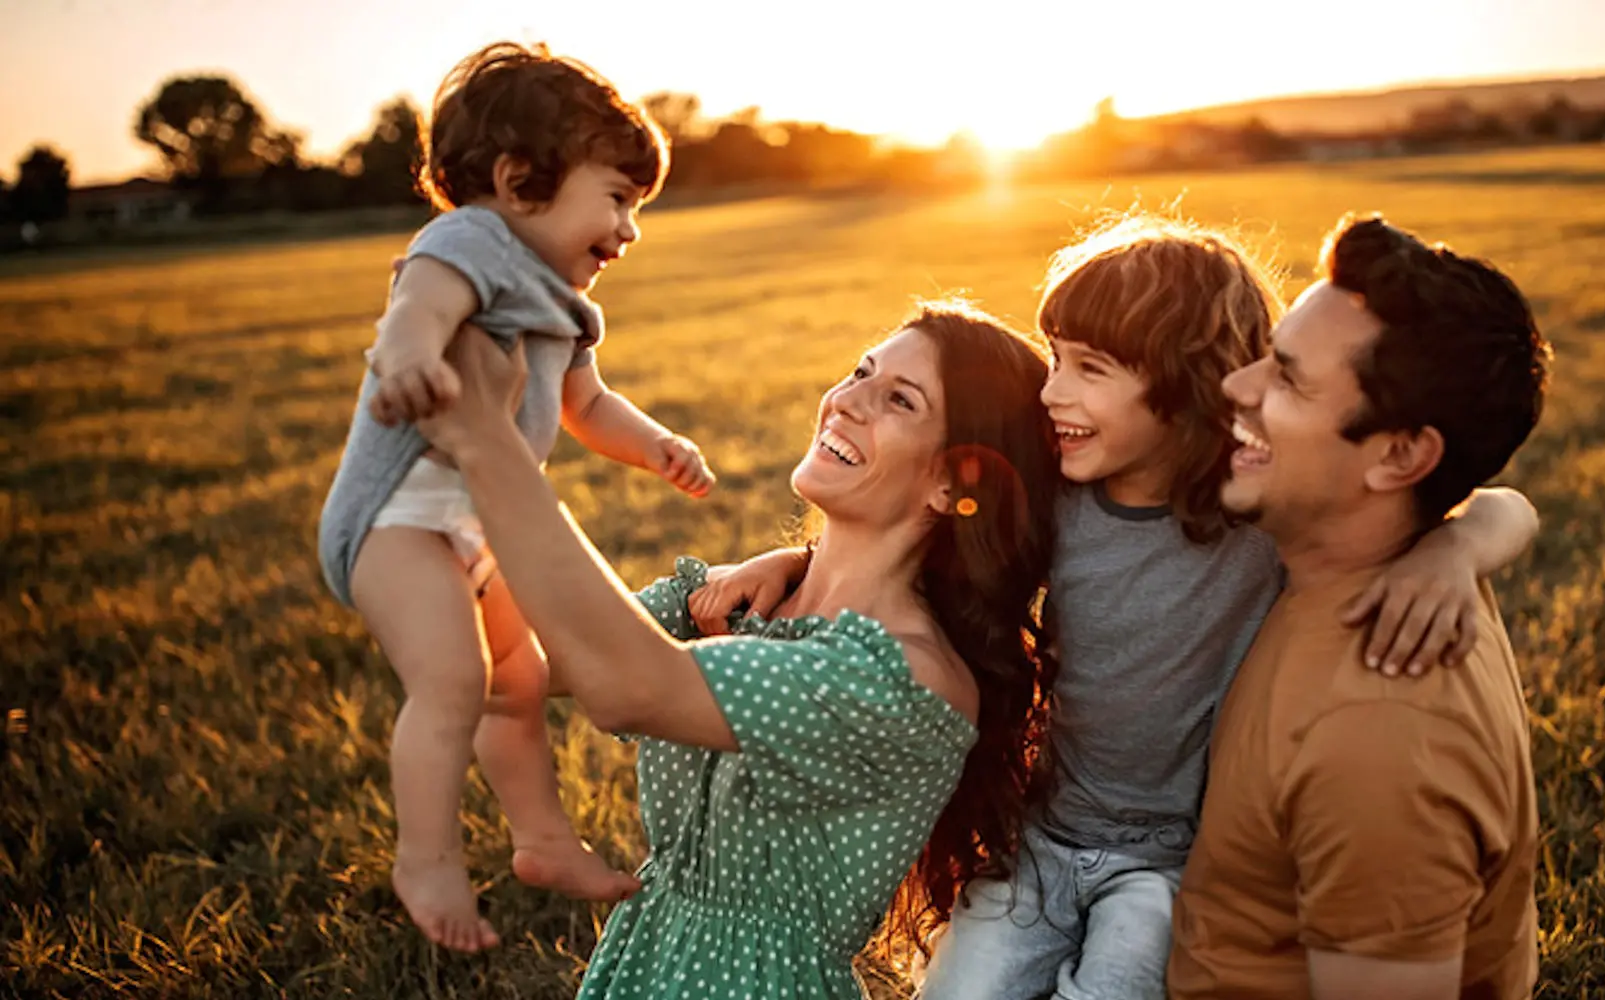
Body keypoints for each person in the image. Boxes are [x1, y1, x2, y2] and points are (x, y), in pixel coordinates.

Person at [698, 214, 1539, 999]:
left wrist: (1455, 547)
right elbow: (928, 547)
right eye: (1054, 359)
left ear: (1183, 387)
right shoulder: (1063, 499)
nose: (1052, 391)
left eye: (1089, 369)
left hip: (1163, 866)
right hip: (1044, 837)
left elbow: (1489, 500)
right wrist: (796, 557)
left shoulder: (1248, 519)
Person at [414, 300, 1061, 998]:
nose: (845, 401)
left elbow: (630, 683)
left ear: (952, 482)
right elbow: (520, 663)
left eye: (899, 400)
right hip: (645, 961)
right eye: (860, 371)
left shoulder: (906, 677)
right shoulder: (747, 602)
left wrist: (497, 456)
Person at [314, 41, 712, 951]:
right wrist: (411, 355)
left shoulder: (568, 304)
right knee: (454, 679)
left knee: (519, 684)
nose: (630, 228)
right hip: (395, 521)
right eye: (616, 198)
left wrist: (656, 448)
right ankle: (426, 859)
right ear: (519, 178)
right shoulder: (471, 242)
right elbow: (417, 305)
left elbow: (587, 405)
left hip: (477, 521)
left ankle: (543, 841)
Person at [1169, 213, 1552, 999]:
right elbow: (1505, 506)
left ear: (1402, 456)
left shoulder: (1378, 736)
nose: (1238, 386)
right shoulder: (1395, 557)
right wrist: (1464, 541)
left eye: (1287, 378)